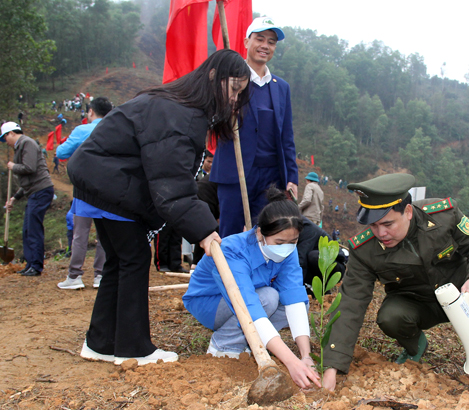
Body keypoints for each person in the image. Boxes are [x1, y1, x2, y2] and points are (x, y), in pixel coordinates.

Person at [66, 49, 250, 365]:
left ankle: (100, 342)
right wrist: (205, 231)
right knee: (134, 257)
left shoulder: (181, 107)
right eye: (233, 89)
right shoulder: (180, 114)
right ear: (212, 76)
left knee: (120, 260)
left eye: (240, 94)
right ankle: (133, 348)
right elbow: (172, 183)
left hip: (101, 179)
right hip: (109, 181)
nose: (234, 100)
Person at [321, 174, 469, 400]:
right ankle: (416, 346)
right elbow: (350, 304)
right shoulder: (365, 249)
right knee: (390, 316)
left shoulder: (443, 215)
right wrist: (332, 366)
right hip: (417, 303)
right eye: (373, 225)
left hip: (461, 295)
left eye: (387, 224)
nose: (380, 233)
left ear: (408, 212)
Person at [183, 187, 321, 389]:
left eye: (293, 241)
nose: (287, 247)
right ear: (259, 233)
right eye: (280, 242)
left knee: (295, 305)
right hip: (210, 302)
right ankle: (224, 344)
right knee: (268, 298)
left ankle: (252, 341)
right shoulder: (233, 250)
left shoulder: (287, 251)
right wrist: (291, 362)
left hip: (253, 301)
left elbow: (295, 298)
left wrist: (305, 356)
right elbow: (248, 306)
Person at [210, 17, 298, 237]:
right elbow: (212, 121)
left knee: (266, 234)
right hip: (235, 171)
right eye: (259, 39)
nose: (265, 46)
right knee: (229, 233)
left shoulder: (281, 87)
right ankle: (224, 272)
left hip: (271, 177)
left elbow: (286, 136)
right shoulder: (229, 80)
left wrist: (292, 177)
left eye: (271, 42)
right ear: (246, 42)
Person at [56, 97, 113, 290]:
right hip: (109, 187)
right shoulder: (116, 129)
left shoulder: (83, 130)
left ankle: (75, 276)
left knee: (80, 232)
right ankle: (100, 275)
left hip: (84, 187)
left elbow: (61, 153)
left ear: (90, 112)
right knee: (104, 234)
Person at [1, 121, 54, 277]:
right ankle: (30, 263)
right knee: (27, 230)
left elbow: (29, 168)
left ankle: (36, 265)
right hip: (34, 192)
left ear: (11, 133)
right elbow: (26, 183)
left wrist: (13, 166)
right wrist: (14, 198)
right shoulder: (20, 146)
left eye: (5, 138)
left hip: (41, 191)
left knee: (33, 229)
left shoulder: (26, 143)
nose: (6, 142)